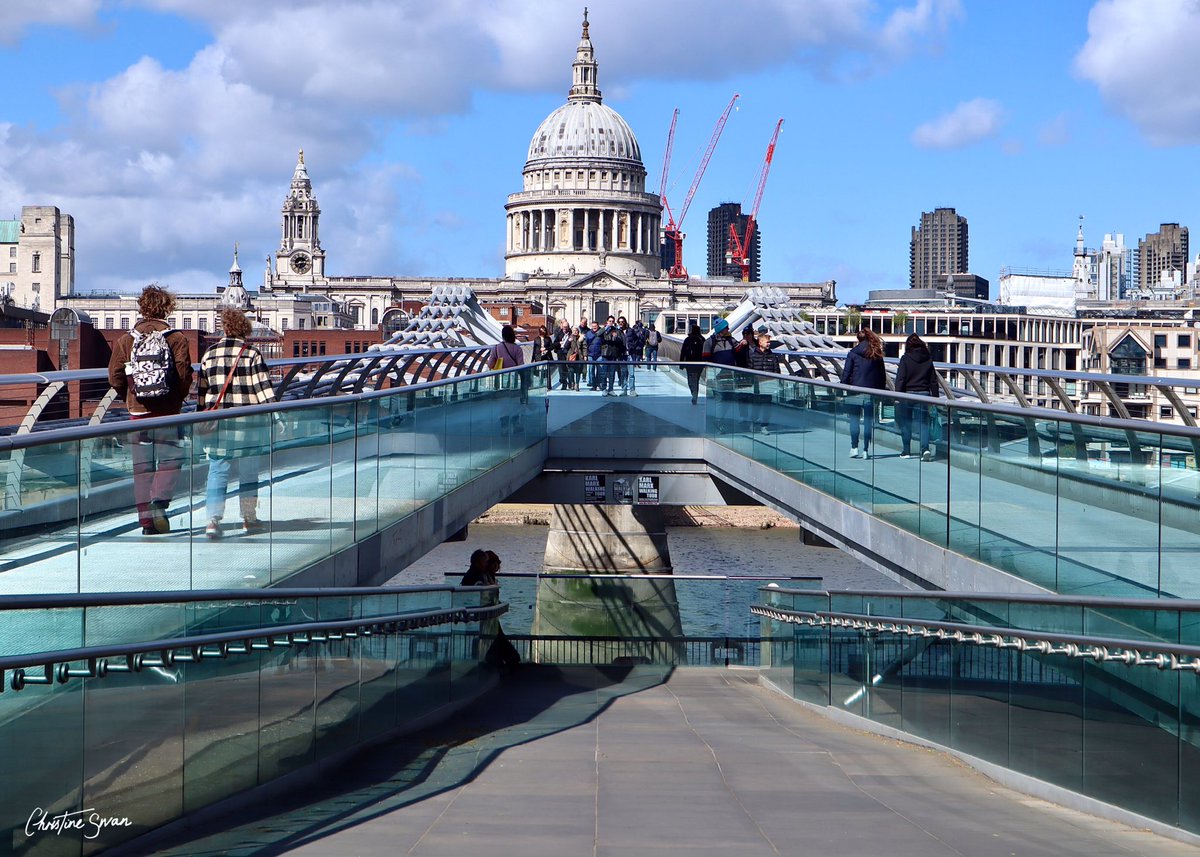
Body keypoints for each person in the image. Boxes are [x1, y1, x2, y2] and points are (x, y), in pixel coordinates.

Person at [107, 283, 193, 536]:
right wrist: (176, 398)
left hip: (138, 414)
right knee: (170, 460)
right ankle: (159, 502)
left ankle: (146, 524)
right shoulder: (176, 338)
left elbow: (114, 376)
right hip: (168, 412)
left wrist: (131, 397)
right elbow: (184, 374)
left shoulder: (126, 340)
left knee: (142, 469)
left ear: (142, 308)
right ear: (167, 308)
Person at [196, 309, 276, 539]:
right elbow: (264, 391)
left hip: (217, 423)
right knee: (249, 472)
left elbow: (202, 393)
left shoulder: (209, 354)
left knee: (217, 470)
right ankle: (248, 518)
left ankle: (213, 520)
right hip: (247, 424)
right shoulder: (251, 354)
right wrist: (278, 417)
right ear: (244, 329)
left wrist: (200, 417)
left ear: (225, 328)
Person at [840, 328, 887, 459]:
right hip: (870, 392)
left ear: (858, 340)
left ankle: (854, 447)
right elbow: (882, 375)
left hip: (854, 391)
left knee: (854, 420)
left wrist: (842, 387)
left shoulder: (853, 353)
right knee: (868, 422)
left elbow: (847, 373)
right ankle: (866, 449)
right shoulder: (876, 354)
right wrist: (880, 391)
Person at [894, 333, 940, 460]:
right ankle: (924, 449)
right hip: (924, 394)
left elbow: (901, 379)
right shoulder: (928, 359)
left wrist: (897, 395)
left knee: (906, 422)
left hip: (908, 394)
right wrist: (935, 399)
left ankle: (906, 450)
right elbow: (933, 381)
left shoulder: (905, 358)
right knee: (923, 423)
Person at [748, 330, 781, 433]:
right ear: (760, 343)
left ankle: (764, 426)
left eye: (769, 342)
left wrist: (775, 382)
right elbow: (749, 370)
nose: (769, 344)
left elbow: (776, 370)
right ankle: (753, 423)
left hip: (768, 385)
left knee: (767, 407)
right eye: (767, 342)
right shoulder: (753, 356)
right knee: (756, 406)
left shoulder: (772, 356)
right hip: (757, 386)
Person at [489, 324, 527, 408]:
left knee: (502, 406)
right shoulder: (518, 349)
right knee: (514, 406)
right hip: (514, 380)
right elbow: (521, 365)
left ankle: (503, 419)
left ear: (503, 336)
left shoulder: (496, 348)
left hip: (500, 379)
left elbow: (490, 364)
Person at [600, 316, 628, 396]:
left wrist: (616, 337)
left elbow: (621, 340)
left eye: (612, 321)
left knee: (612, 373)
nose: (611, 322)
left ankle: (611, 389)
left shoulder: (616, 330)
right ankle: (604, 389)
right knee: (604, 372)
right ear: (607, 321)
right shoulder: (604, 330)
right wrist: (605, 328)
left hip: (613, 354)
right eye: (609, 321)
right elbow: (598, 335)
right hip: (605, 353)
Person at [680, 323, 705, 404]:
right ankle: (695, 395)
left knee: (691, 380)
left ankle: (694, 395)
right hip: (699, 363)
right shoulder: (702, 339)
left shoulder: (688, 339)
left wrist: (681, 363)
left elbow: (683, 352)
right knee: (696, 379)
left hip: (689, 363)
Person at [618, 316, 638, 396]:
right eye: (619, 322)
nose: (621, 323)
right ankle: (624, 390)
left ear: (625, 322)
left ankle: (632, 390)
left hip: (631, 354)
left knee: (632, 374)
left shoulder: (631, 331)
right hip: (622, 355)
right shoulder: (618, 331)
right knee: (623, 373)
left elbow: (637, 339)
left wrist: (633, 346)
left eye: (622, 322)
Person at [586, 320, 603, 389]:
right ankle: (593, 385)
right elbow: (585, 344)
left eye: (595, 326)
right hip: (590, 354)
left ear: (598, 326)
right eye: (593, 326)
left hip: (600, 354)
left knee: (600, 370)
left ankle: (599, 383)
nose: (594, 327)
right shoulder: (588, 333)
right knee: (591, 370)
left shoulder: (602, 333)